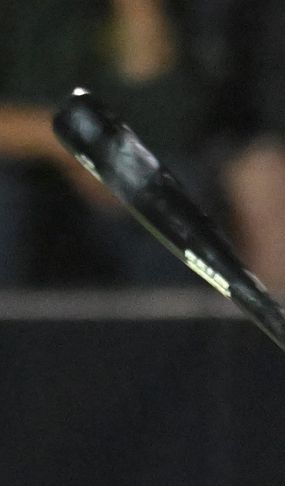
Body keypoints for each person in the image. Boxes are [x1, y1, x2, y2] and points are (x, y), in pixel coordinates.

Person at [0, 0, 219, 287]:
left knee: (165, 187)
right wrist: (59, 140)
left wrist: (136, 9)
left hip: (101, 163)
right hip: (23, 162)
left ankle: (171, 329)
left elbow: (161, 115)